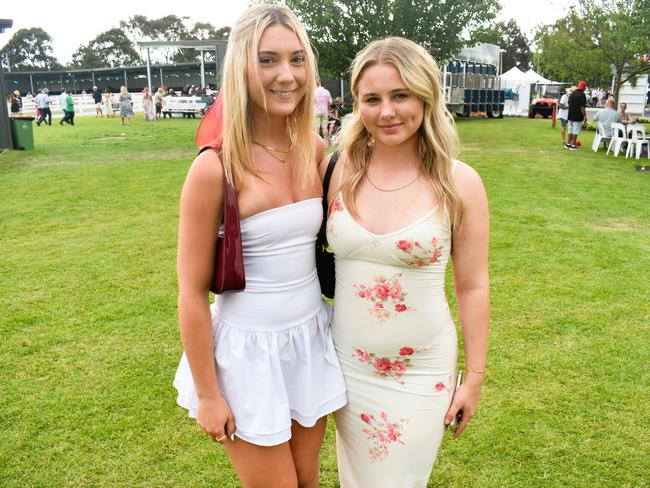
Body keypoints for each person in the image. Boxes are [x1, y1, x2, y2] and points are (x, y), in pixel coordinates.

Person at [172, 5, 347, 487]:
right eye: (267, 60)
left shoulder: (312, 148)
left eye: (296, 59)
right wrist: (209, 394)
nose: (286, 75)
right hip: (247, 356)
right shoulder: (214, 168)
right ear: (240, 66)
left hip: (309, 340)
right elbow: (190, 293)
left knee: (308, 481)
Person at [322, 37, 489, 487]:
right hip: (346, 367)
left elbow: (472, 285)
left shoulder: (460, 183)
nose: (387, 112)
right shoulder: (338, 169)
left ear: (426, 96)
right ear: (357, 104)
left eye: (400, 95)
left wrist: (472, 378)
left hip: (421, 372)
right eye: (371, 99)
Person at [566, 80, 587, 150]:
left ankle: (568, 144)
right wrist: (584, 116)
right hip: (577, 115)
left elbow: (569, 104)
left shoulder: (573, 93)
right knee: (575, 130)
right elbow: (582, 107)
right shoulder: (582, 95)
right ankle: (573, 145)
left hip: (570, 114)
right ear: (584, 87)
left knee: (570, 129)